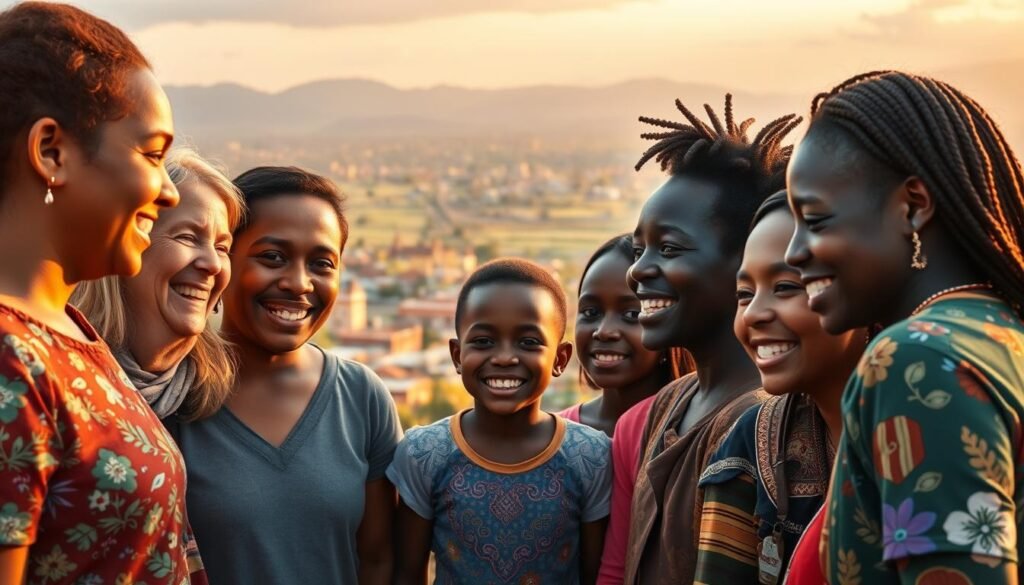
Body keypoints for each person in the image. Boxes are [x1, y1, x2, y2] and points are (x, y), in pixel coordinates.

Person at [785, 71, 1024, 584]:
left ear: (913, 206)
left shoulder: (918, 358)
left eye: (816, 220)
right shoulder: (1002, 337)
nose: (794, 251)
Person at [0, 3, 190, 584]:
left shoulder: (66, 330)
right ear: (52, 151)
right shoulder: (10, 358)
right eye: (152, 154)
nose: (168, 193)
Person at [165, 166, 402, 584]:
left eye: (322, 263)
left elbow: (379, 560)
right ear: (224, 259)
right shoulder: (172, 394)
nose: (299, 283)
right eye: (273, 257)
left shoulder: (362, 397)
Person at [617, 95, 801, 585]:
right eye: (639, 249)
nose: (638, 270)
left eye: (670, 248)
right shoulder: (674, 402)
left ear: (748, 259)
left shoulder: (757, 420)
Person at [389, 259, 612, 585]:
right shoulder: (424, 453)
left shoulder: (590, 457)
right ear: (456, 355)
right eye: (483, 341)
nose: (505, 357)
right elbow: (407, 576)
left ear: (560, 359)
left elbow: (596, 577)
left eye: (528, 342)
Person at [691, 191, 866, 584]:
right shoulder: (752, 443)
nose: (753, 313)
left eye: (786, 287)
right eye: (743, 294)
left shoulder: (932, 422)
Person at [73, 147, 245, 421]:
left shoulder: (223, 404)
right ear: (127, 247)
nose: (213, 264)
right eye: (187, 237)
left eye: (222, 247)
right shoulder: (57, 376)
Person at [559, 234, 689, 435]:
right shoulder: (556, 438)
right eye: (591, 312)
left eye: (632, 314)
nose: (604, 331)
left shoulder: (689, 436)